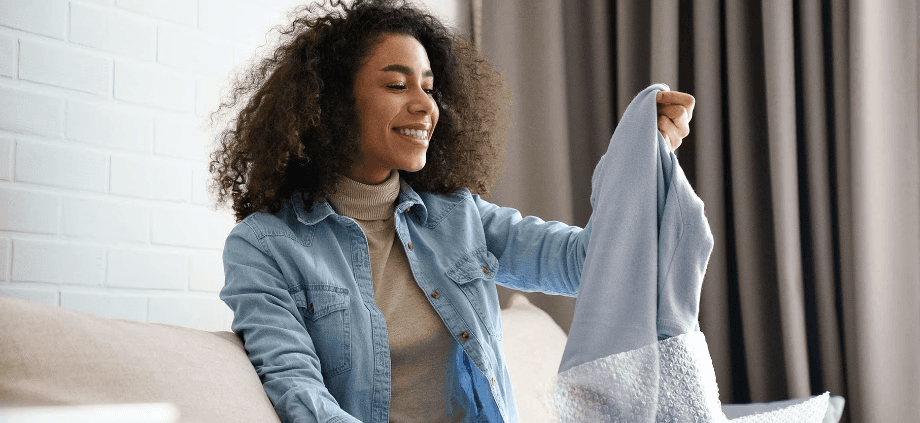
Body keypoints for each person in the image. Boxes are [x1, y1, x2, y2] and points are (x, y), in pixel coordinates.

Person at [209, 1, 694, 422]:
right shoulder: (264, 246)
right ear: (333, 103)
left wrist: (635, 162)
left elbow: (589, 266)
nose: (427, 107)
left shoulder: (459, 216)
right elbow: (299, 394)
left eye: (429, 87)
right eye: (398, 86)